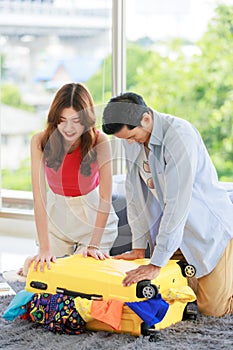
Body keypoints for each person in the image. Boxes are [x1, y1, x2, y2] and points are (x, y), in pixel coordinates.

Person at [102, 92, 233, 317]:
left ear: (145, 118)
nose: (129, 142)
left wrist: (156, 263)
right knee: (162, 295)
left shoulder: (180, 137)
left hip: (206, 230)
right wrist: (138, 248)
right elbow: (135, 192)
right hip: (173, 233)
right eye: (124, 139)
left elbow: (177, 203)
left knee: (213, 311)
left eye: (131, 136)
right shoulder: (132, 138)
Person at [29, 82, 118, 272]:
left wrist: (93, 245)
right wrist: (44, 248)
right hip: (57, 217)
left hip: (93, 218)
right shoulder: (40, 141)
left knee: (84, 275)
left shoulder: (100, 141)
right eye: (62, 120)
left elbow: (105, 197)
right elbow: (39, 198)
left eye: (76, 121)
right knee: (46, 272)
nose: (68, 128)